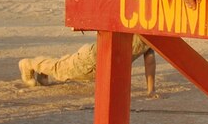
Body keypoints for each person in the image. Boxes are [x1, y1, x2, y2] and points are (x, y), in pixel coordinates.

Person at [19, 34, 158, 96]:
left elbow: (150, 61)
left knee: (63, 67)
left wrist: (150, 91)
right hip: (92, 60)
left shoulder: (150, 37)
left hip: (101, 63)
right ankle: (29, 64)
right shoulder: (139, 28)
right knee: (62, 70)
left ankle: (43, 73)